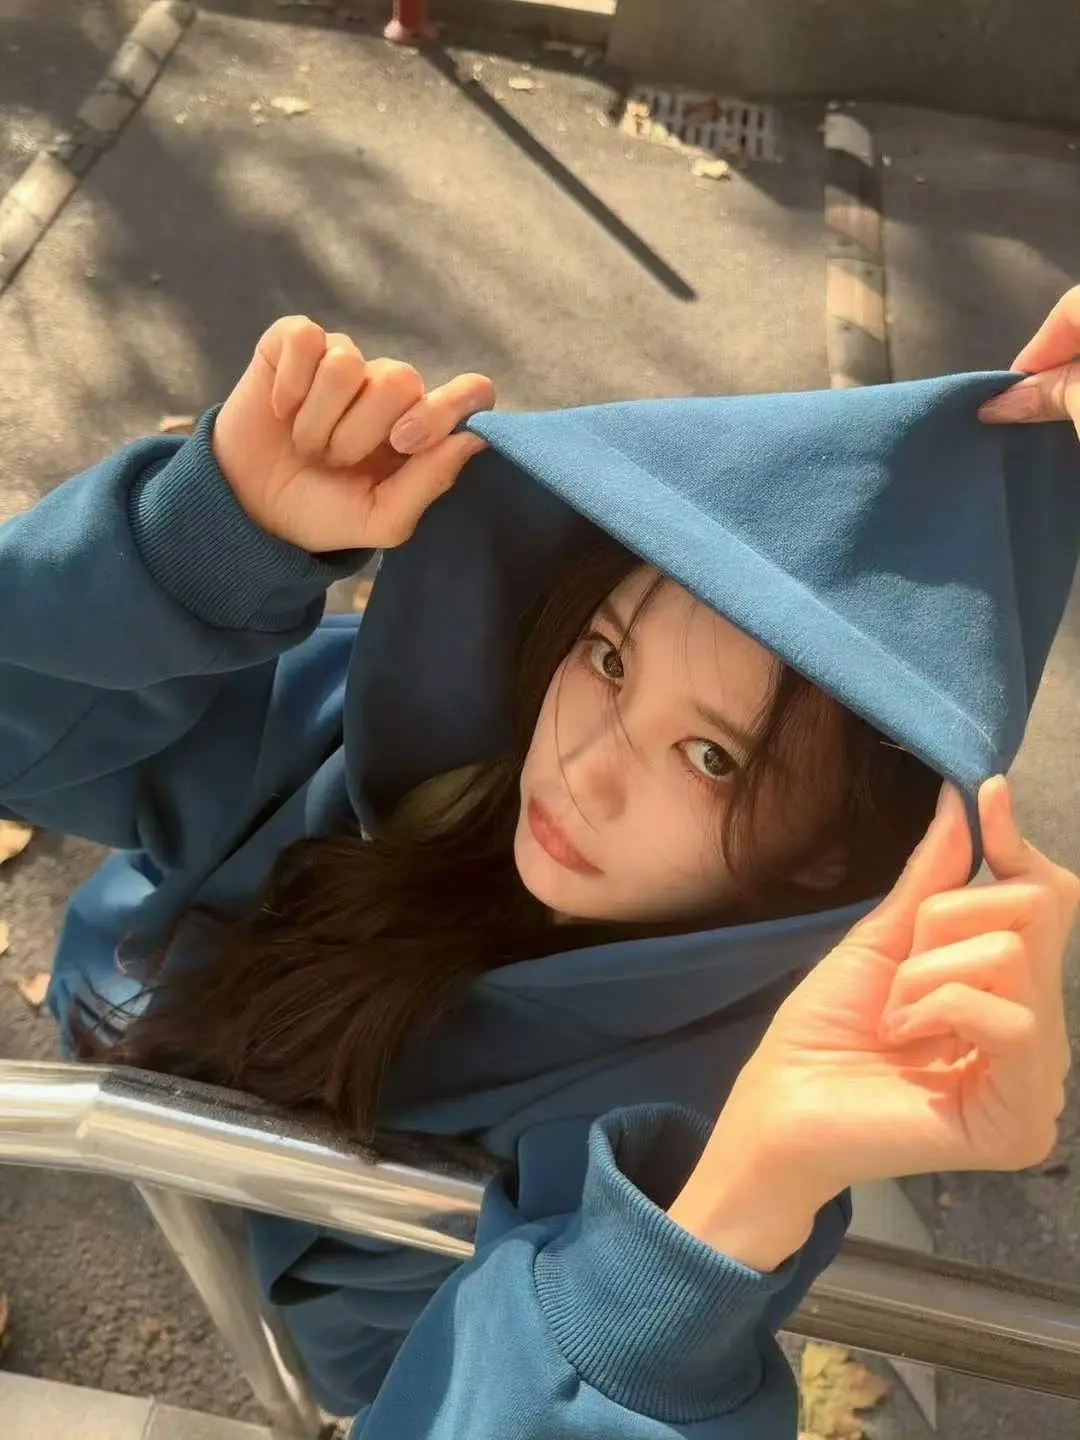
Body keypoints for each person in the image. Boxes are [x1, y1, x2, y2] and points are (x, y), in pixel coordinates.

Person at [1, 294, 1078, 1439]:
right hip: (122, 1055)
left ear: (830, 858)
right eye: (608, 658)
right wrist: (199, 547)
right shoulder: (396, 747)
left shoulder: (701, 1118)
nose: (581, 767)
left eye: (712, 759)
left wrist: (704, 1247)